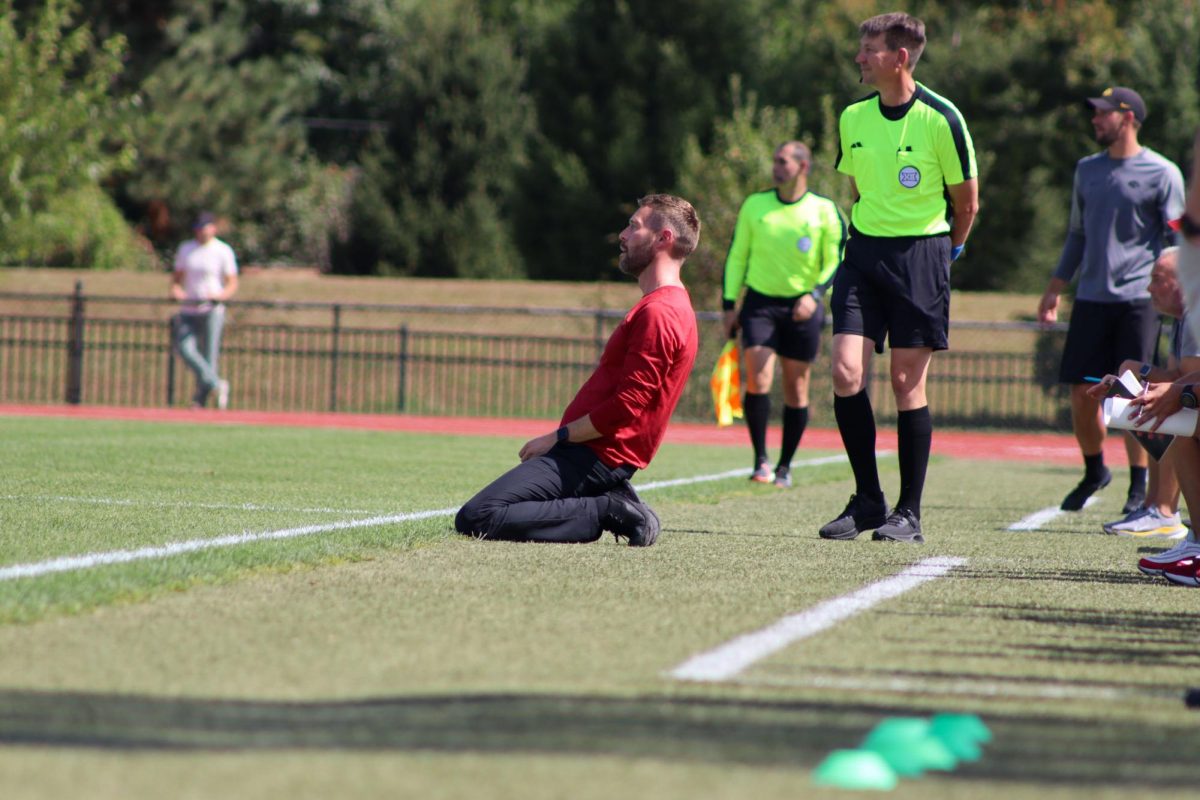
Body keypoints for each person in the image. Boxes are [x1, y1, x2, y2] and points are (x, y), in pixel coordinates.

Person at [455, 194, 700, 546]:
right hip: (592, 454)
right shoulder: (667, 305)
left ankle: (609, 507)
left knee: (478, 515)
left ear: (664, 238)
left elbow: (626, 406)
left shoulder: (660, 312)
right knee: (508, 507)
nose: (623, 234)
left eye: (634, 226)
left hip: (594, 455)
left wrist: (558, 437)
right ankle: (612, 495)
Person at [817, 12, 978, 544]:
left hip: (922, 258)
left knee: (907, 383)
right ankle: (868, 500)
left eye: (870, 49)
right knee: (845, 373)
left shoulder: (943, 118)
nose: (859, 58)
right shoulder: (852, 117)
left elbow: (967, 203)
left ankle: (908, 513)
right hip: (862, 254)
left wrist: (946, 253)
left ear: (900, 57)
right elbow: (860, 191)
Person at [1037, 87, 1185, 513]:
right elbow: (1077, 236)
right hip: (1090, 298)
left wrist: (1181, 295)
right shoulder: (1086, 170)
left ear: (1129, 117)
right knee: (1082, 393)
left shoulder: (1163, 172)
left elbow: (1175, 241)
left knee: (1133, 392)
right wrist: (1054, 290)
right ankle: (1094, 470)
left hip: (1139, 301)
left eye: (1103, 114)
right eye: (1095, 114)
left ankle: (1139, 487)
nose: (1095, 121)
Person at [722, 142, 846, 488]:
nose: (776, 167)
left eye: (783, 162)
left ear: (803, 166)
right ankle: (760, 460)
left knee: (796, 387)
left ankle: (785, 466)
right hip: (760, 304)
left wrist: (816, 295)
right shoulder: (755, 205)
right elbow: (736, 256)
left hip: (803, 307)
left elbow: (836, 259)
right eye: (774, 161)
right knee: (758, 377)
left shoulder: (824, 210)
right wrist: (729, 304)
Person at [1088, 248, 1192, 539]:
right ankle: (1156, 507)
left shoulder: (1195, 318)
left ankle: (1164, 512)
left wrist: (1141, 371)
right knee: (1164, 408)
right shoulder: (1183, 319)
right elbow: (1179, 379)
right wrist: (1128, 383)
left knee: (1178, 415)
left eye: (1157, 279)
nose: (1149, 287)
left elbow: (1185, 386)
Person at [171, 212, 239, 410]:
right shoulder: (186, 249)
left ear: (213, 228)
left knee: (210, 356)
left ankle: (199, 401)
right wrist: (177, 292)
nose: (201, 231)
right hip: (189, 308)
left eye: (205, 227)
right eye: (198, 228)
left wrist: (220, 296)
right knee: (185, 349)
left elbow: (232, 282)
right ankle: (217, 383)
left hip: (211, 310)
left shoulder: (222, 250)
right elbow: (176, 279)